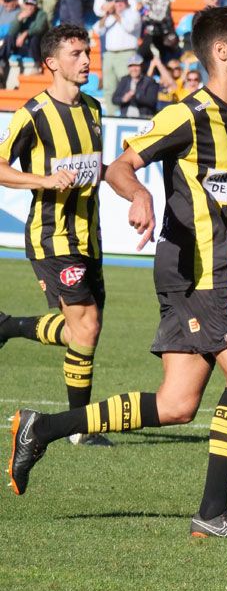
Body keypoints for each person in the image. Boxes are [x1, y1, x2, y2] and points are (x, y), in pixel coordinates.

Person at [9, 6, 227, 541]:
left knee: (178, 404)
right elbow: (120, 167)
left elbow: (213, 191)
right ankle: (212, 512)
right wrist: (139, 196)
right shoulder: (188, 114)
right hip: (205, 268)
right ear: (222, 53)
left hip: (194, 266)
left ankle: (42, 428)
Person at [0, 25, 108, 449]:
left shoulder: (95, 108)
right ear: (51, 63)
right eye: (77, 54)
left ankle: (8, 326)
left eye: (87, 52)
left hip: (89, 236)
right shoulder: (33, 113)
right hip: (52, 236)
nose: (86, 60)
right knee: (87, 323)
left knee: (83, 331)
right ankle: (78, 427)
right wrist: (43, 179)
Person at [93, 0, 141, 114]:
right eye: (116, 1)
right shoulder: (110, 16)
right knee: (109, 87)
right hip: (109, 54)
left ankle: (127, 113)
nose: (118, 4)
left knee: (127, 86)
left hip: (127, 54)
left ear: (126, 2)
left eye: (121, 1)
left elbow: (129, 27)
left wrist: (116, 15)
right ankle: (111, 113)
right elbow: (98, 30)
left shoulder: (133, 14)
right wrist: (106, 15)